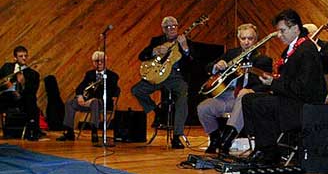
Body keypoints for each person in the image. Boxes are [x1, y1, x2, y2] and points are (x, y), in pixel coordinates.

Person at [242, 9, 327, 165]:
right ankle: (262, 145)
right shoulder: (291, 49)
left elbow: (303, 88)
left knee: (260, 104)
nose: (279, 35)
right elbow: (288, 81)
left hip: (304, 106)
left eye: (282, 31)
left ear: (295, 28)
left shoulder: (307, 50)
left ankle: (269, 151)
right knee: (248, 99)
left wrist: (273, 83)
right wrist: (272, 81)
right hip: (291, 99)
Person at [197, 23, 272, 154]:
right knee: (203, 107)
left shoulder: (263, 60)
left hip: (245, 97)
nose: (247, 42)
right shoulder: (231, 54)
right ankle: (215, 139)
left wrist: (251, 91)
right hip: (226, 96)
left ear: (256, 40)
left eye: (250, 38)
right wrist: (216, 65)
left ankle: (227, 141)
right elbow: (208, 67)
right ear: (239, 39)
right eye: (243, 39)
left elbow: (265, 84)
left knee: (243, 96)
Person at [131, 16, 192, 149]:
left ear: (177, 27)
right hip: (158, 75)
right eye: (168, 27)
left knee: (182, 96)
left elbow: (193, 62)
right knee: (137, 90)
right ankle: (157, 111)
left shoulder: (184, 40)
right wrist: (155, 50)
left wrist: (185, 47)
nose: (171, 29)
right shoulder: (156, 41)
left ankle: (177, 136)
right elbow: (142, 56)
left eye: (174, 26)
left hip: (175, 76)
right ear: (164, 29)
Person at [56, 51, 120, 143]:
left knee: (95, 103)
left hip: (103, 103)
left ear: (106, 61)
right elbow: (80, 87)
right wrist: (79, 96)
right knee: (70, 103)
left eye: (101, 61)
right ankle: (69, 132)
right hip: (87, 102)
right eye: (96, 61)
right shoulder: (89, 74)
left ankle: (94, 132)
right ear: (93, 63)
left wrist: (93, 99)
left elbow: (110, 92)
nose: (99, 63)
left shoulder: (112, 76)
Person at [0, 45, 40, 141]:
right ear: (15, 58)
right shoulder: (7, 67)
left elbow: (33, 90)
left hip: (23, 97)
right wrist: (7, 85)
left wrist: (23, 84)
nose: (24, 58)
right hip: (8, 96)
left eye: (25, 56)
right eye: (21, 56)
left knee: (31, 100)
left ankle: (32, 131)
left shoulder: (33, 73)